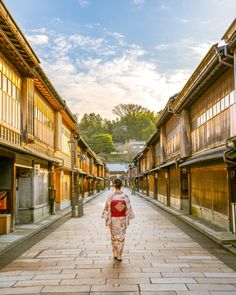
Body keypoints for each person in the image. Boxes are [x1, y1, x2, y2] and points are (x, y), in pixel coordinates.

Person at [102, 178, 134, 262]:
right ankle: (120, 255)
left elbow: (107, 209)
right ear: (121, 186)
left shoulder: (111, 196)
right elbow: (128, 209)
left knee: (114, 237)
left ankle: (115, 254)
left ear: (114, 185)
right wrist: (127, 219)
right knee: (121, 237)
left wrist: (107, 220)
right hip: (122, 220)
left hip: (113, 219)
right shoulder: (125, 196)